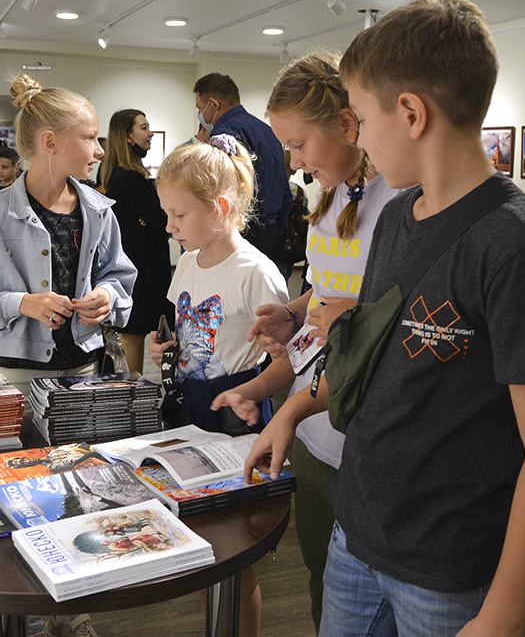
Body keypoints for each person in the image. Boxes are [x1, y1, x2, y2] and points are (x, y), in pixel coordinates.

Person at [244, 0, 525, 637]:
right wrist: (291, 408)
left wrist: (504, 615)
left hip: (445, 565)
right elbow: (367, 355)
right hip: (359, 532)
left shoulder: (518, 248)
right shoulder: (400, 217)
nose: (360, 137)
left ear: (410, 113)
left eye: (364, 119)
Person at [209, 51, 399, 632]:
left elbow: (388, 318)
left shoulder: (399, 199)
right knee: (330, 582)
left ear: (347, 124)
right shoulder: (331, 198)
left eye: (298, 146)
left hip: (367, 430)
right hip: (316, 433)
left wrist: (339, 317)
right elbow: (323, 292)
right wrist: (293, 315)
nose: (291, 163)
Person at [0, 75, 135, 637]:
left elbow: (123, 279)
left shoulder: (100, 210)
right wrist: (20, 302)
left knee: (80, 494)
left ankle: (72, 610)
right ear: (50, 142)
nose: (100, 150)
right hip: (19, 382)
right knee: (22, 498)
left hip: (86, 376)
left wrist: (107, 298)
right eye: (91, 138)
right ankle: (26, 609)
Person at [147, 133, 289, 637]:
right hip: (192, 409)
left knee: (236, 551)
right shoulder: (187, 259)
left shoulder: (256, 273)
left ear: (221, 208)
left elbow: (288, 361)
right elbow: (182, 329)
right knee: (197, 534)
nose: (169, 227)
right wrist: (162, 347)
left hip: (238, 415)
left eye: (179, 215)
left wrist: (250, 392)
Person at [194, 73, 294, 280]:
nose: (200, 114)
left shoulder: (224, 134)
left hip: (244, 233)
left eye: (199, 108)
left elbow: (220, 193)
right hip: (272, 232)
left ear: (213, 104)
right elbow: (285, 190)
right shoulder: (268, 131)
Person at [100, 108, 173, 374]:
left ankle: (135, 388)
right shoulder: (128, 177)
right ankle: (132, 391)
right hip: (141, 262)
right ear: (127, 137)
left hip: (144, 258)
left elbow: (156, 218)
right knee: (135, 329)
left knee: (139, 328)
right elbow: (159, 218)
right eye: (143, 128)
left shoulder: (125, 175)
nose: (150, 133)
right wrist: (155, 217)